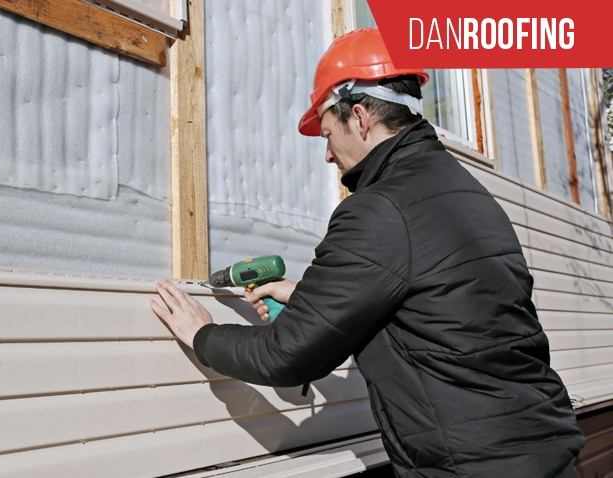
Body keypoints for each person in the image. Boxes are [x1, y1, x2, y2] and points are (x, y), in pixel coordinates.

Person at [149, 28, 584, 477]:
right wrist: (308, 297)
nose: (327, 155)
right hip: (544, 453)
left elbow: (286, 356)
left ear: (359, 117)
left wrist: (203, 333)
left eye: (326, 131)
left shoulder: (380, 208)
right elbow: (438, 305)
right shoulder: (466, 195)